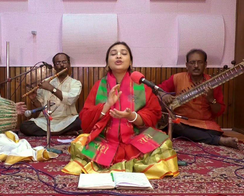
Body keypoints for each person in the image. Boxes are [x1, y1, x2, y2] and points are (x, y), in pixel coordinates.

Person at [62, 42, 179, 179]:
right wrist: (106, 105)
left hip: (135, 138)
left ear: (130, 62)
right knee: (79, 143)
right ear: (107, 63)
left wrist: (132, 116)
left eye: (124, 53)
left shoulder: (142, 85)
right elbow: (86, 119)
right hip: (104, 140)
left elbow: (153, 115)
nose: (118, 56)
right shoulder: (100, 85)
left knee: (164, 142)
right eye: (113, 54)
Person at [158, 49, 238, 149]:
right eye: (192, 62)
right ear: (187, 65)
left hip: (204, 124)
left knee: (213, 131)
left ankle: (201, 136)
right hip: (181, 121)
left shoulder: (213, 83)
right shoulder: (177, 78)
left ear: (205, 65)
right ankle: (218, 140)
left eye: (200, 62)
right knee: (172, 126)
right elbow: (157, 89)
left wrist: (211, 99)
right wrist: (163, 95)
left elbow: (219, 111)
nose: (196, 66)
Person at [20, 53, 82, 136]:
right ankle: (64, 132)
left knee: (81, 120)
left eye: (64, 62)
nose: (62, 65)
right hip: (47, 120)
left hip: (67, 119)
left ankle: (51, 133)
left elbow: (70, 100)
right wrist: (34, 99)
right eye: (58, 63)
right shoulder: (46, 82)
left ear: (69, 65)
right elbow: (41, 107)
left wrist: (51, 88)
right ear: (54, 67)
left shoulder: (75, 83)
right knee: (25, 126)